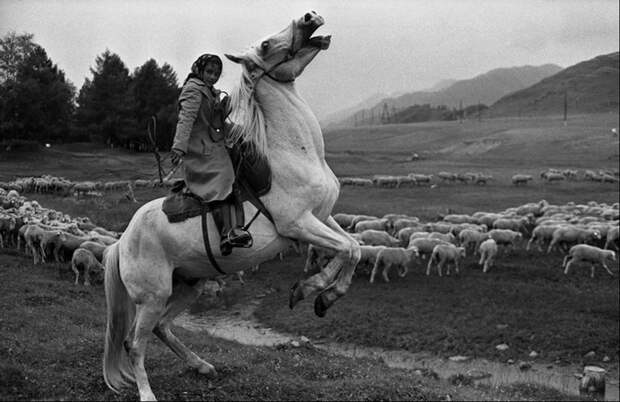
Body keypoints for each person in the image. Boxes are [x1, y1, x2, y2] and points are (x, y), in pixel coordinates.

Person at [170, 53, 251, 256]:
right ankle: (226, 234)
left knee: (238, 170)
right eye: (209, 72)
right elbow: (186, 118)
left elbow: (217, 120)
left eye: (216, 73)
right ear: (199, 70)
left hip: (213, 144)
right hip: (199, 149)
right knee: (222, 179)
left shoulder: (211, 91)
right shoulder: (193, 90)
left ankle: (238, 227)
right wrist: (179, 147)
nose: (213, 76)